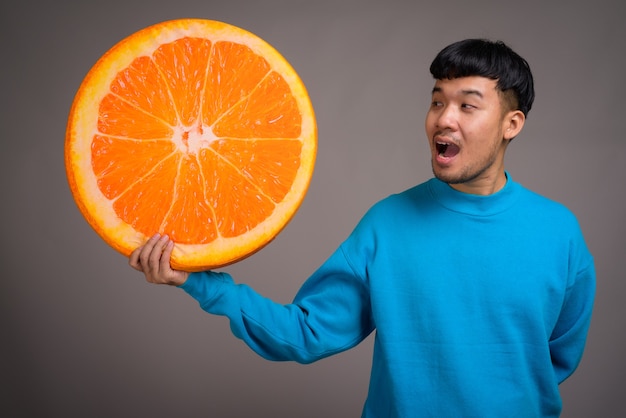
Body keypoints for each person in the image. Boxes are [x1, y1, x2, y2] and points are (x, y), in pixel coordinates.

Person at [130, 39, 595, 417]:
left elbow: (554, 359)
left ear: (512, 124)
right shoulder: (387, 224)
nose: (443, 118)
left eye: (467, 106)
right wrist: (198, 282)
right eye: (437, 101)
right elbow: (306, 332)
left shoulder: (559, 232)